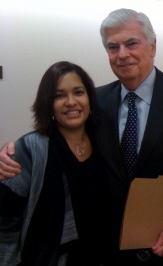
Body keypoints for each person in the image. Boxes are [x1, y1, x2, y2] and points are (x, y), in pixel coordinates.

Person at [1, 9, 163, 266]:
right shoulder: (96, 101)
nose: (122, 54)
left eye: (131, 43)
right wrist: (12, 150)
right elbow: (62, 138)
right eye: (112, 46)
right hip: (109, 250)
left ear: (152, 46)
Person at [0, 61, 107, 266]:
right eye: (59, 95)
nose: (71, 102)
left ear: (89, 98)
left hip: (101, 255)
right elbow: (6, 220)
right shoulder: (29, 149)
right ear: (47, 103)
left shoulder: (104, 141)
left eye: (78, 92)